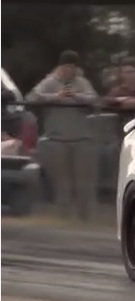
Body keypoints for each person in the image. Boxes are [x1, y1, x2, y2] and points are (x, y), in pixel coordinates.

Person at [26, 50, 99, 220]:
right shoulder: (50, 82)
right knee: (62, 181)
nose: (69, 71)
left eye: (72, 67)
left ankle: (85, 216)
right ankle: (63, 216)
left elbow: (94, 99)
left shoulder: (81, 82)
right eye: (66, 67)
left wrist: (76, 95)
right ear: (60, 66)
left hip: (81, 138)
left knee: (83, 181)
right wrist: (55, 97)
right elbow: (31, 97)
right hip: (57, 138)